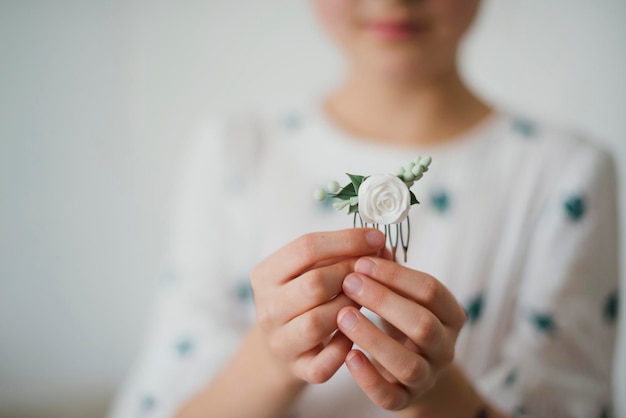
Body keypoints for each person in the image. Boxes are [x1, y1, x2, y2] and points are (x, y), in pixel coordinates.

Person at [110, 1, 620, 417]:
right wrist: (272, 358)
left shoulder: (567, 174)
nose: (392, 1)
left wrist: (438, 392)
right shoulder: (236, 150)